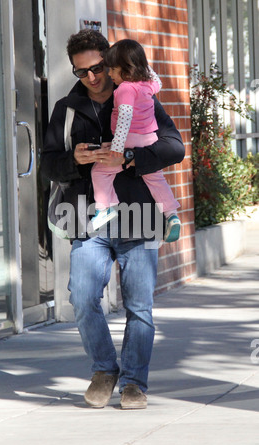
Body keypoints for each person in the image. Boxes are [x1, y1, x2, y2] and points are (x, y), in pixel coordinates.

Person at [41, 29, 185, 410]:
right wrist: (76, 160)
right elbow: (47, 164)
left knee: (140, 305)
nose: (92, 77)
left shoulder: (140, 94)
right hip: (88, 219)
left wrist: (133, 160)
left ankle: (135, 382)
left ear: (111, 60)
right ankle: (105, 369)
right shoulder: (66, 110)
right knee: (83, 296)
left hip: (139, 220)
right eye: (81, 71)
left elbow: (174, 146)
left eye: (98, 67)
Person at [91, 39, 181, 243]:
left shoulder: (125, 89)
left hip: (129, 140)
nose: (109, 74)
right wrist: (141, 64)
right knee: (156, 180)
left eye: (112, 69)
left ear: (125, 69)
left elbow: (125, 117)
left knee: (100, 171)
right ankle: (171, 215)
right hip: (149, 139)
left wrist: (116, 147)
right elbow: (159, 80)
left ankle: (104, 208)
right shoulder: (148, 84)